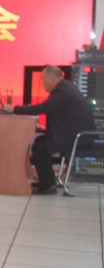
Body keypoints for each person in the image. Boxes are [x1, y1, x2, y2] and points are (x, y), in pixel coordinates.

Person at [7, 65, 96, 194]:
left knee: (40, 147)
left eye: (43, 80)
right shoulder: (65, 87)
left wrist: (14, 109)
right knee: (40, 143)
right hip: (75, 135)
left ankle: (48, 185)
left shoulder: (63, 91)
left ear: (52, 78)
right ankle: (47, 182)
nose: (42, 84)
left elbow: (43, 108)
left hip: (78, 138)